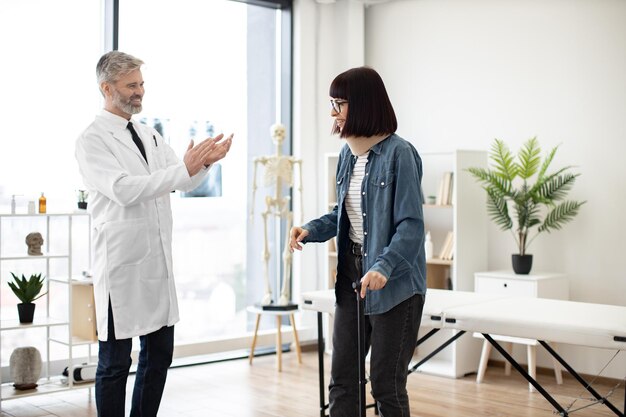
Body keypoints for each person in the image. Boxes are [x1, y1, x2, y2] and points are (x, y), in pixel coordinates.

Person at [75, 51, 233, 417]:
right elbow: (124, 189)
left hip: (156, 265)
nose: (140, 92)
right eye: (131, 85)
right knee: (115, 363)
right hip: (121, 269)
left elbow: (182, 180)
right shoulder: (91, 140)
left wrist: (204, 163)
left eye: (141, 84)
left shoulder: (149, 135)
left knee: (159, 354)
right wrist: (183, 170)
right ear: (106, 88)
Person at [289, 66, 426, 417]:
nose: (333, 112)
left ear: (363, 105)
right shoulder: (349, 155)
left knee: (385, 384)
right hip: (352, 273)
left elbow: (411, 225)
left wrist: (383, 266)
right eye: (331, 103)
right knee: (343, 379)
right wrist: (311, 229)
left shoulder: (400, 154)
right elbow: (345, 213)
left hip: (394, 283)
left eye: (340, 103)